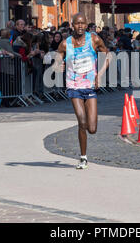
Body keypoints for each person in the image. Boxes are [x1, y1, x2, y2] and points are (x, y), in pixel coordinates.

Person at [55, 13, 110, 169]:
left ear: (87, 25)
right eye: (77, 23)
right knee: (82, 121)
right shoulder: (66, 44)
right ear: (72, 25)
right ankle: (83, 157)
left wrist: (99, 75)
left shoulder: (94, 40)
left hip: (90, 86)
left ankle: (84, 151)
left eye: (83, 23)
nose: (80, 26)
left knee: (92, 129)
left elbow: (107, 56)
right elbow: (58, 58)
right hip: (74, 87)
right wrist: (59, 65)